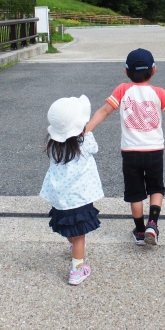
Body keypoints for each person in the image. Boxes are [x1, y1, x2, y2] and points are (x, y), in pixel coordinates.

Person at [84, 48, 165, 246]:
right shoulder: (159, 93)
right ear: (153, 70)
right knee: (156, 188)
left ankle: (139, 231)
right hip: (154, 150)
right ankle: (152, 224)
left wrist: (84, 130)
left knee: (135, 193)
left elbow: (104, 111)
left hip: (130, 152)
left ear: (126, 71)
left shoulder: (122, 90)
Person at [40, 95, 104, 286]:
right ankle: (77, 271)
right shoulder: (84, 142)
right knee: (79, 236)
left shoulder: (54, 146)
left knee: (70, 230)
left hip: (60, 199)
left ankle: (75, 246)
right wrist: (87, 133)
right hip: (79, 198)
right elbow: (95, 147)